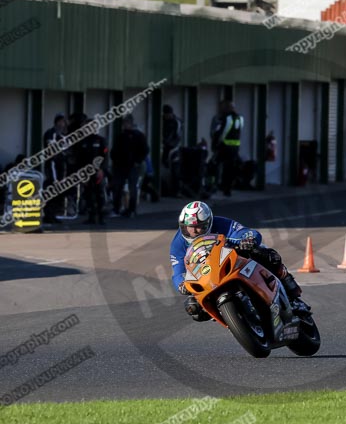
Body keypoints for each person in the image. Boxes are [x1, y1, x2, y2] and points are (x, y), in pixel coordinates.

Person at [170, 200, 303, 322]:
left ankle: (292, 294)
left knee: (266, 255)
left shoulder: (221, 223)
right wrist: (181, 285)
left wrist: (247, 240)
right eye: (188, 227)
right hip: (207, 276)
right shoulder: (178, 243)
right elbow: (177, 271)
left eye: (198, 227)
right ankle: (229, 317)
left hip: (232, 261)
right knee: (193, 307)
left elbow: (247, 232)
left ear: (208, 223)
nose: (193, 231)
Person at [110, 114, 149, 218]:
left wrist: (138, 161)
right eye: (124, 123)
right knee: (118, 187)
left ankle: (131, 209)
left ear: (131, 124)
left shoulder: (138, 136)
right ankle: (117, 208)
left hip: (133, 166)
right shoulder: (121, 136)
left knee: (132, 188)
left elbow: (144, 150)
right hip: (120, 165)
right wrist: (115, 161)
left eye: (127, 123)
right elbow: (114, 150)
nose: (125, 125)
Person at [77, 124, 108, 225]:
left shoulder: (100, 140)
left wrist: (102, 169)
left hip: (98, 171)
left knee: (100, 193)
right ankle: (91, 216)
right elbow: (80, 159)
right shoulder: (83, 142)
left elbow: (105, 156)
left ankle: (101, 216)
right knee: (88, 194)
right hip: (87, 172)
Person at [212, 100, 244, 196]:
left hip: (225, 146)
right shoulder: (240, 118)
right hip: (235, 147)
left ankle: (218, 185)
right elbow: (240, 131)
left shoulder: (227, 118)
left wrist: (217, 143)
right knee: (230, 168)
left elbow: (223, 132)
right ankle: (228, 188)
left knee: (217, 165)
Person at [43, 113, 68, 223]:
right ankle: (48, 214)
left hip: (61, 166)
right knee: (51, 187)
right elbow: (51, 148)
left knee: (59, 192)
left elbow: (66, 150)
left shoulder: (63, 136)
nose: (63, 124)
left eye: (64, 122)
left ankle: (54, 214)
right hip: (52, 165)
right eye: (62, 121)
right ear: (57, 122)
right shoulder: (50, 133)